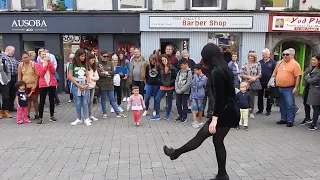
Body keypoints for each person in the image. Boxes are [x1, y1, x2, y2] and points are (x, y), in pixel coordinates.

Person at [163, 43, 240, 180]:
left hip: (225, 111)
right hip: (230, 109)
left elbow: (220, 99)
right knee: (218, 142)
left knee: (200, 137)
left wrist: (214, 119)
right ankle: (222, 175)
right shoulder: (224, 68)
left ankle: (176, 153)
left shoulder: (217, 72)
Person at [270, 49, 302, 127]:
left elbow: (298, 76)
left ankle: (290, 120)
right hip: (279, 87)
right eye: (283, 54)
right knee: (282, 105)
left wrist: (296, 87)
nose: (285, 56)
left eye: (287, 54)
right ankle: (283, 119)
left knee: (290, 105)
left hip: (289, 88)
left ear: (291, 55)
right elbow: (274, 73)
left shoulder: (295, 64)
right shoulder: (280, 63)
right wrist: (270, 82)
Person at [97, 50, 126, 119]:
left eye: (107, 56)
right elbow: (99, 74)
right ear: (101, 56)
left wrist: (105, 72)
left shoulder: (110, 63)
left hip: (110, 83)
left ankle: (118, 112)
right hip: (102, 84)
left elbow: (113, 72)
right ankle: (104, 113)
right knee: (103, 99)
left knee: (112, 99)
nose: (106, 58)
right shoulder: (98, 64)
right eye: (104, 56)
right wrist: (107, 73)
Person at [150, 55, 177, 121]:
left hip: (170, 87)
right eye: (162, 60)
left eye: (165, 60)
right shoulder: (160, 68)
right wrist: (161, 82)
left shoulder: (172, 68)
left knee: (169, 101)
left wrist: (171, 83)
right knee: (157, 99)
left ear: (167, 60)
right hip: (162, 86)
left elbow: (175, 78)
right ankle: (157, 114)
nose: (164, 61)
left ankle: (167, 115)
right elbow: (159, 77)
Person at [68, 49, 91, 126]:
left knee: (85, 102)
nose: (83, 58)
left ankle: (86, 118)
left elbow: (87, 76)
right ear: (78, 56)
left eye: (84, 56)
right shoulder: (72, 65)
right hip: (76, 85)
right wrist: (78, 85)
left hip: (84, 84)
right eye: (82, 56)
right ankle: (78, 118)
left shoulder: (85, 64)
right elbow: (70, 76)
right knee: (77, 102)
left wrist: (87, 84)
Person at [35, 50, 58, 125]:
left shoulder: (50, 63)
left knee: (52, 100)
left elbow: (53, 71)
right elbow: (41, 74)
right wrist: (45, 65)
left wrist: (49, 63)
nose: (44, 56)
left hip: (51, 83)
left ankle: (52, 115)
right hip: (43, 84)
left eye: (45, 54)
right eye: (42, 54)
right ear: (39, 55)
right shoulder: (37, 64)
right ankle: (40, 117)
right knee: (42, 101)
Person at [18, 51, 39, 120]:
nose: (25, 59)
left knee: (34, 99)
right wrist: (20, 86)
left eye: (27, 57)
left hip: (33, 84)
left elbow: (37, 75)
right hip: (25, 85)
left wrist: (35, 84)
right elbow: (19, 76)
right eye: (24, 57)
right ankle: (27, 114)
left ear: (29, 57)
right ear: (21, 58)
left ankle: (36, 114)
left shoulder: (33, 64)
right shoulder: (20, 65)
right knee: (27, 100)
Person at [240, 52, 262, 119]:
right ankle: (244, 111)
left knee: (251, 98)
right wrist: (249, 77)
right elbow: (241, 74)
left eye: (252, 56)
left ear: (254, 57)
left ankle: (251, 112)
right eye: (249, 56)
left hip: (253, 84)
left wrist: (254, 78)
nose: (250, 58)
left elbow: (260, 74)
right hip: (245, 84)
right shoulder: (245, 64)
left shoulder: (257, 64)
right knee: (243, 98)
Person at [257, 48, 276, 116]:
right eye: (263, 55)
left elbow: (275, 72)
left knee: (269, 97)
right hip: (260, 82)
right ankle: (260, 110)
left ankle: (268, 110)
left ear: (269, 54)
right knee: (260, 96)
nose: (264, 56)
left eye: (266, 55)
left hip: (269, 83)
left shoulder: (273, 62)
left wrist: (271, 81)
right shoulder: (259, 62)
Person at [304, 55, 320, 130]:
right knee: (313, 106)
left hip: (316, 90)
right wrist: (308, 77)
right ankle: (311, 120)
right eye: (311, 60)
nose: (312, 61)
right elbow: (305, 73)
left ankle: (314, 124)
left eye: (314, 60)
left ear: (319, 61)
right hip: (310, 89)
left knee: (316, 107)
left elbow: (313, 81)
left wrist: (307, 77)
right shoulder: (311, 68)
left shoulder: (319, 71)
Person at [190, 64, 207, 128]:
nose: (194, 72)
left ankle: (200, 120)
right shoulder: (194, 76)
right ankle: (194, 120)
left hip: (200, 94)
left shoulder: (204, 77)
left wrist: (195, 83)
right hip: (194, 94)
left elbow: (199, 85)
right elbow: (192, 84)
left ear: (200, 70)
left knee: (200, 108)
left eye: (195, 70)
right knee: (194, 107)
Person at [175, 59, 192, 123]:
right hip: (178, 90)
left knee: (184, 104)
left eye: (182, 65)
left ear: (186, 64)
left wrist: (182, 90)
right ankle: (180, 115)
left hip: (185, 92)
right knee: (178, 104)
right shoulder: (179, 72)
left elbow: (189, 83)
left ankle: (184, 117)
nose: (181, 66)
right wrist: (176, 88)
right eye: (180, 65)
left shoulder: (189, 72)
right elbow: (176, 81)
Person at [87, 53, 99, 122]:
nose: (93, 62)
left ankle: (90, 115)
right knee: (87, 101)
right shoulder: (86, 68)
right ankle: (87, 116)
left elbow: (97, 77)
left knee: (91, 101)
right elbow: (86, 77)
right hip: (87, 86)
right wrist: (92, 77)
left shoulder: (94, 68)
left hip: (93, 86)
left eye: (94, 60)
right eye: (92, 60)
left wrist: (90, 77)